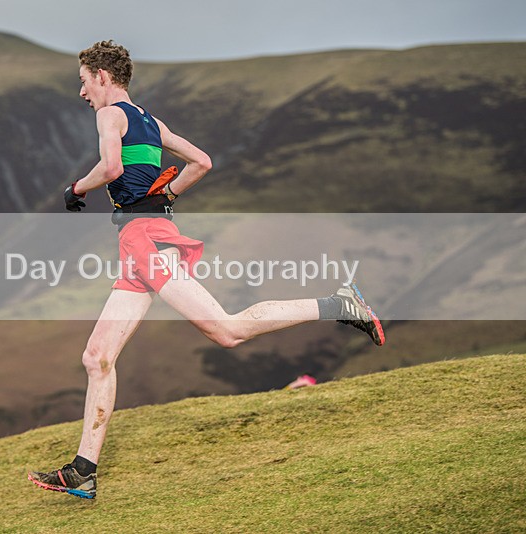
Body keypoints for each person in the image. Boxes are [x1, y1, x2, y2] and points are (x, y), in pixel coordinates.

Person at [28, 40, 384, 500]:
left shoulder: (109, 114)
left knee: (226, 331)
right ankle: (83, 471)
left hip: (145, 240)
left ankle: (340, 303)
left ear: (101, 76)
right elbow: (202, 162)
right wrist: (167, 196)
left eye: (83, 81)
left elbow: (111, 167)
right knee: (97, 357)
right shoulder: (150, 122)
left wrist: (75, 188)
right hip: (141, 239)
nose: (81, 92)